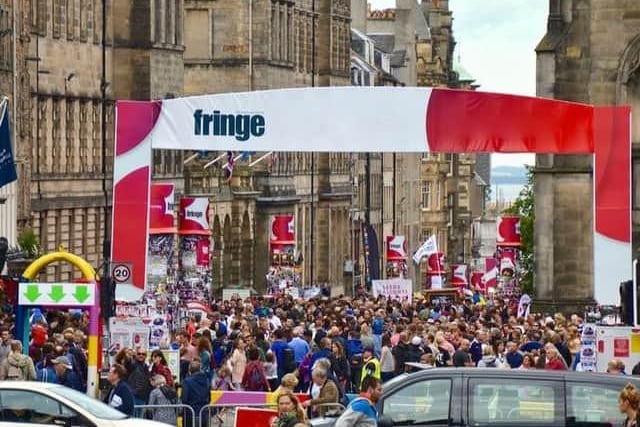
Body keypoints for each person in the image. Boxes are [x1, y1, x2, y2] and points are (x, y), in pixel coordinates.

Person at [182, 360, 211, 427]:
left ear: (190, 370)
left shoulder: (187, 381)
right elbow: (209, 398)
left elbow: (184, 399)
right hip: (203, 413)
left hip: (190, 413)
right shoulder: (206, 381)